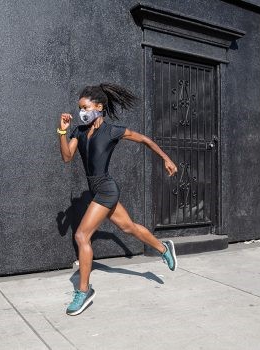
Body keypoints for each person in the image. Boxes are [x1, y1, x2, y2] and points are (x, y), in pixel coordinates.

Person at [57, 82, 179, 316]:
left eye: (85, 107)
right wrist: (62, 131)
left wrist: (166, 158)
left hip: (106, 189)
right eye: (79, 108)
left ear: (99, 106)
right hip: (97, 191)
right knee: (128, 227)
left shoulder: (111, 131)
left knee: (82, 235)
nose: (81, 112)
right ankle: (164, 248)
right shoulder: (79, 132)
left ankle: (84, 291)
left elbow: (144, 139)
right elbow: (66, 157)